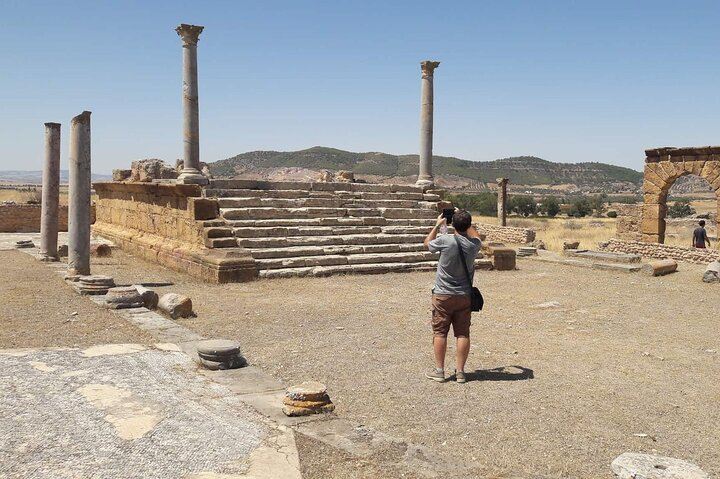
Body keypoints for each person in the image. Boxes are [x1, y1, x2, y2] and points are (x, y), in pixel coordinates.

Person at [422, 209, 482, 383]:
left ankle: (439, 371)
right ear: (468, 225)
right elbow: (477, 236)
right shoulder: (473, 245)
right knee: (463, 334)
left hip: (443, 294)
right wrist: (465, 222)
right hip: (464, 295)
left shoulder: (445, 240)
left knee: (440, 332)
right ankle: (461, 373)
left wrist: (437, 225)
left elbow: (427, 244)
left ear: (453, 224)